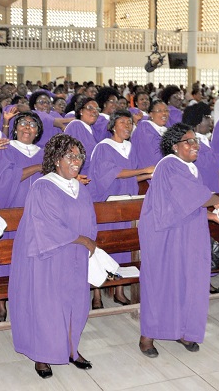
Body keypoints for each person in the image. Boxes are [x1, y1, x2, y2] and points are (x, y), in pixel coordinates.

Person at [9, 134, 97, 380]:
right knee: (48, 306)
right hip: (47, 255)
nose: (76, 160)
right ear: (57, 160)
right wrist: (83, 240)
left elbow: (89, 219)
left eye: (79, 156)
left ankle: (70, 348)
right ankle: (42, 355)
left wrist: (88, 243)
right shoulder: (44, 186)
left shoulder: (78, 187)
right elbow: (47, 226)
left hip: (74, 256)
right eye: (70, 155)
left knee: (75, 302)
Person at [138, 123, 219, 358]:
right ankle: (147, 336)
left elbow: (185, 205)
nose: (194, 145)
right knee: (162, 281)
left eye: (195, 141)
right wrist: (215, 198)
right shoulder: (169, 165)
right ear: (174, 146)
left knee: (185, 281)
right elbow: (188, 196)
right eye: (188, 141)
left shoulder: (189, 168)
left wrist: (213, 217)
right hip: (165, 235)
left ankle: (180, 329)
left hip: (186, 231)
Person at [88, 110, 154, 308]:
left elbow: (132, 177)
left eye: (130, 123)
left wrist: (151, 175)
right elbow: (112, 174)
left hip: (127, 204)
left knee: (124, 245)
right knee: (104, 247)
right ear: (113, 126)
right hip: (106, 204)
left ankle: (119, 290)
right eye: (123, 122)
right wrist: (144, 170)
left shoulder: (130, 148)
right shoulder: (103, 148)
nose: (127, 126)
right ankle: (97, 294)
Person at [0, 111, 45, 323]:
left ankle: (31, 301)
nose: (28, 127)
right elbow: (1, 179)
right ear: (16, 128)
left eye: (33, 124)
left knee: (34, 259)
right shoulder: (5, 150)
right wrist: (37, 168)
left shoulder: (45, 152)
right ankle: (2, 304)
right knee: (6, 259)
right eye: (23, 123)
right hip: (11, 210)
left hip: (38, 215)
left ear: (38, 132)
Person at [63, 97, 99, 178]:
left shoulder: (90, 129)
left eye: (97, 109)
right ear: (81, 111)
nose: (94, 111)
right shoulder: (76, 125)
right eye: (90, 108)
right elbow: (68, 154)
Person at [131, 100, 168, 169]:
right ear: (151, 114)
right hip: (149, 172)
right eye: (159, 111)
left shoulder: (166, 130)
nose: (164, 113)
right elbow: (150, 154)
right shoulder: (145, 127)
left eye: (166, 110)